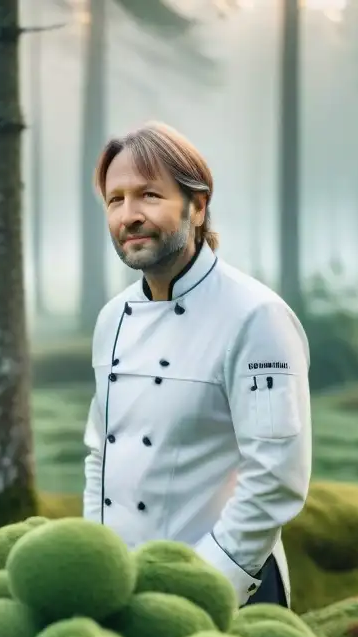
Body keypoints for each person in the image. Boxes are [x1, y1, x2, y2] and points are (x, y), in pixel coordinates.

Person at [81, 121, 312, 609]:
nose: (130, 215)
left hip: (228, 591)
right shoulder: (111, 320)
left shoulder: (257, 316)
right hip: (128, 592)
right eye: (115, 200)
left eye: (149, 195)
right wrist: (98, 565)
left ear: (198, 205)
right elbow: (101, 456)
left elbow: (275, 476)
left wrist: (207, 582)